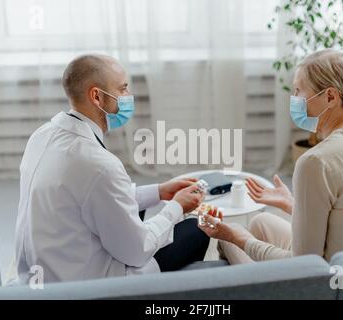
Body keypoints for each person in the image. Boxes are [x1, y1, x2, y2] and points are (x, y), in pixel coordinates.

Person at [14, 54, 209, 284]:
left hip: (42, 273)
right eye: (123, 88)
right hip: (86, 285)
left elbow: (96, 196)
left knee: (137, 217)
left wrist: (159, 192)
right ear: (97, 96)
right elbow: (138, 250)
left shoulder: (42, 135)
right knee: (199, 228)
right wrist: (176, 206)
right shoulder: (98, 164)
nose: (129, 96)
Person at [199, 49, 343, 264]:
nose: (294, 99)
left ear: (330, 97)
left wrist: (236, 238)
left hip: (330, 285)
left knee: (231, 238)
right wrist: (291, 203)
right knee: (261, 222)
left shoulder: (316, 162)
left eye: (298, 91)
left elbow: (304, 265)